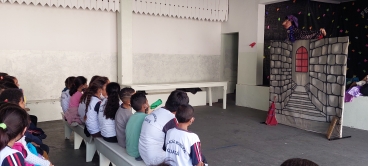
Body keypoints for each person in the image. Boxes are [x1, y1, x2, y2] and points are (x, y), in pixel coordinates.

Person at [139, 90, 189, 165]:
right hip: (155, 160)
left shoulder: (157, 111)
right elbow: (177, 143)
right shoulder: (171, 120)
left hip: (143, 153)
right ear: (180, 109)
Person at [125, 92, 149, 161]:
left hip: (129, 150)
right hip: (137, 154)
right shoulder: (147, 119)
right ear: (144, 105)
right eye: (147, 102)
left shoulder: (132, 117)